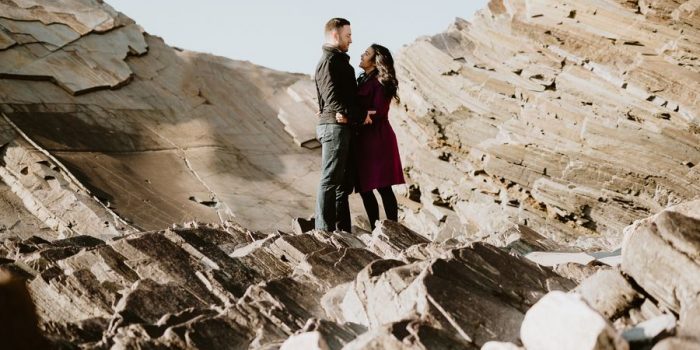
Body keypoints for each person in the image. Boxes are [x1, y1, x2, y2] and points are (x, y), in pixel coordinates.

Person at [314, 18, 363, 232]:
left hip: (342, 126)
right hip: (334, 126)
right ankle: (323, 231)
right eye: (348, 35)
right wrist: (353, 114)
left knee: (343, 185)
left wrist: (352, 117)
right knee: (330, 179)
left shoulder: (339, 62)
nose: (351, 40)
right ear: (335, 35)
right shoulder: (328, 62)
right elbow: (331, 99)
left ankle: (343, 232)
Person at [352, 44, 405, 230]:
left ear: (375, 62)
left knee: (383, 186)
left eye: (366, 53)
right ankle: (376, 229)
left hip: (378, 139)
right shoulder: (362, 80)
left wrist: (356, 115)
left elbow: (379, 110)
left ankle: (394, 229)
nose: (361, 54)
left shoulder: (380, 82)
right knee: (365, 188)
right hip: (362, 140)